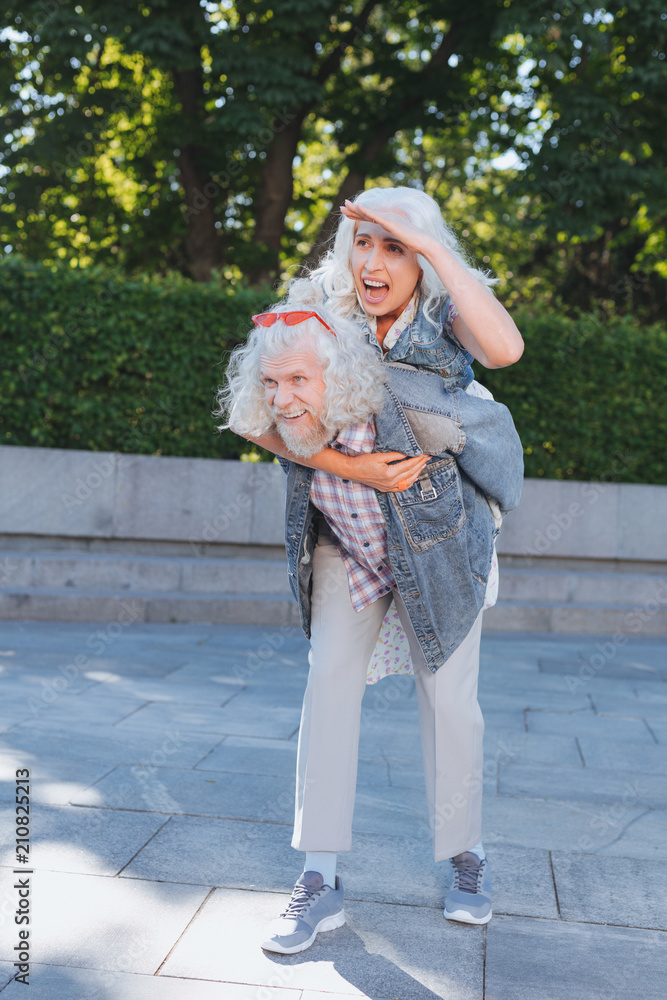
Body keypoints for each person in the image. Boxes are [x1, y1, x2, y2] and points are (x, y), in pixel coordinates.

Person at [217, 297, 524, 955]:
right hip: (347, 552)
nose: (283, 396)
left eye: (298, 381)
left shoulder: (409, 399)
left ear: (335, 375)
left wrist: (494, 514)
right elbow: (247, 421)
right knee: (326, 682)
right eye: (271, 382)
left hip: (436, 557)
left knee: (449, 704)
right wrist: (345, 465)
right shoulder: (285, 408)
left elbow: (494, 437)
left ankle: (465, 853)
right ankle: (317, 875)